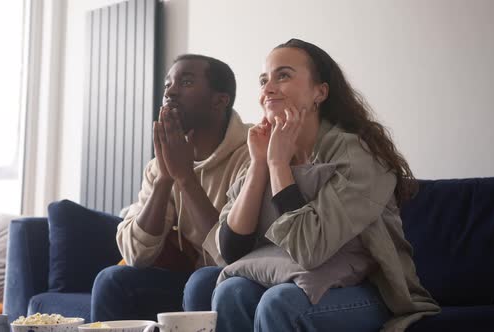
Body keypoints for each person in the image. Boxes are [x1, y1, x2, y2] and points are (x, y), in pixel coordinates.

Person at [186, 39, 440, 332]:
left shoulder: (360, 156)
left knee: (280, 303)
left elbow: (309, 249)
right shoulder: (264, 150)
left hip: (368, 291)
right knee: (231, 291)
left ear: (320, 92)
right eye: (263, 80)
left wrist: (280, 167)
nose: (267, 88)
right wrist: (259, 164)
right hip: (291, 280)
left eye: (283, 75)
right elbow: (230, 250)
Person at [90, 54, 251, 321]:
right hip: (188, 278)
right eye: (168, 85)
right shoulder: (160, 164)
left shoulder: (251, 152)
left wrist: (185, 178)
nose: (171, 92)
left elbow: (230, 254)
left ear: (219, 100)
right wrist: (165, 178)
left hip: (235, 279)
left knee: (201, 281)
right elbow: (136, 255)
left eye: (186, 82)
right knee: (111, 280)